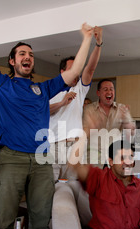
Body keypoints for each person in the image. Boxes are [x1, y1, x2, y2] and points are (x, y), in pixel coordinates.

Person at [0, 0, 93, 229]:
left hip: (43, 160)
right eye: (22, 54)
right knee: (4, 223)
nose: (27, 57)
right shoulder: (0, 83)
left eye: (30, 54)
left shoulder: (44, 88)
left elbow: (74, 71)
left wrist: (86, 38)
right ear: (12, 61)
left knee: (41, 223)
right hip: (11, 159)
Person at [49, 26, 103, 181]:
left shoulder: (79, 88)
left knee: (75, 187)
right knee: (50, 188)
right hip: (53, 145)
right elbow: (42, 111)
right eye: (72, 69)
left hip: (75, 146)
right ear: (62, 72)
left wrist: (98, 44)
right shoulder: (49, 89)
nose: (76, 72)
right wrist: (61, 103)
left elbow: (90, 68)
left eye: (77, 69)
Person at [82, 79, 136, 166]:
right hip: (94, 159)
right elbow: (85, 133)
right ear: (98, 93)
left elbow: (132, 132)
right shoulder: (89, 109)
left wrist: (126, 119)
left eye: (111, 89)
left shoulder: (121, 109)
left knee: (114, 180)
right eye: (105, 89)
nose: (109, 92)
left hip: (115, 158)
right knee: (96, 180)